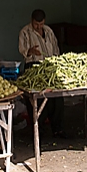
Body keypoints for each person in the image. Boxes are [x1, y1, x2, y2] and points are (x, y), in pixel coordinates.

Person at [18, 9, 67, 138]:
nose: (39, 27)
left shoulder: (49, 31)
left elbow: (55, 48)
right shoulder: (25, 32)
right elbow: (23, 51)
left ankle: (58, 129)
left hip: (50, 68)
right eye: (36, 24)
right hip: (33, 68)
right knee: (37, 100)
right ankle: (38, 131)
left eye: (41, 24)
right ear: (31, 21)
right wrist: (31, 51)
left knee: (56, 98)